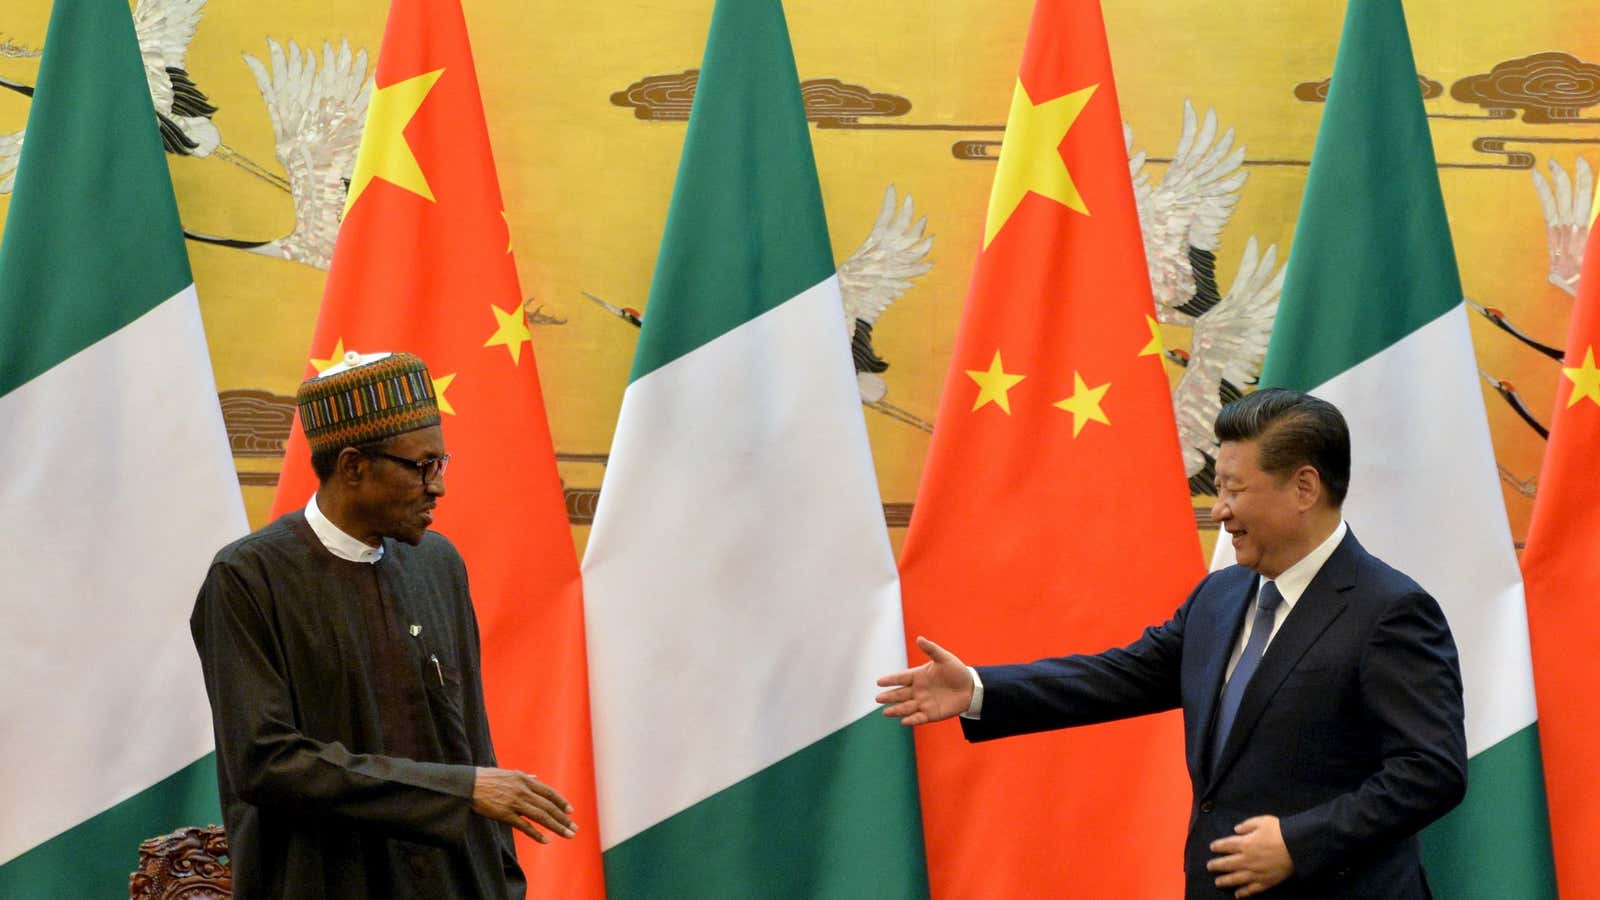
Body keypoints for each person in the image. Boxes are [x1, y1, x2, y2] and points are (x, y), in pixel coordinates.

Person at [876, 388, 1466, 899]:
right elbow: (1119, 677)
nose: (1222, 510)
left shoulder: (1389, 611)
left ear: (1305, 487)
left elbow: (1430, 771)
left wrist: (1298, 841)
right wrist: (980, 688)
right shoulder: (1221, 596)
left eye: (1234, 489)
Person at [191, 351, 575, 899]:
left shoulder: (438, 563)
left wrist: (500, 882)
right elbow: (265, 762)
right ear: (353, 467)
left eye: (443, 464)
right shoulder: (248, 578)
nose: (438, 487)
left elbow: (470, 739)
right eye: (422, 467)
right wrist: (457, 791)